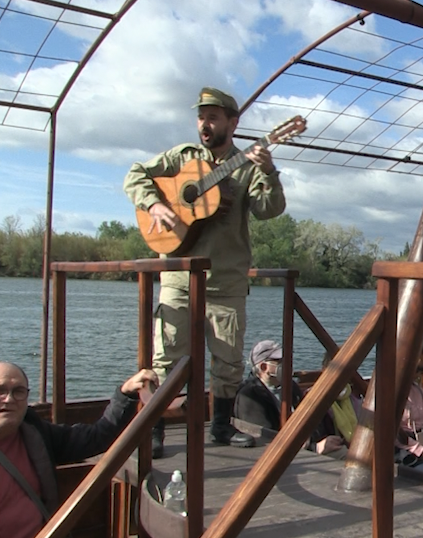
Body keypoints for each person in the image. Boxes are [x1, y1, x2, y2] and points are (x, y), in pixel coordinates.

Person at [123, 87, 287, 456]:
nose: (205, 124)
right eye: (201, 117)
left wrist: (269, 170)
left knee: (228, 362)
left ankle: (221, 428)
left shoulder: (246, 164)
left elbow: (269, 209)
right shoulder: (182, 157)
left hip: (227, 280)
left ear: (233, 122)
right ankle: (155, 431)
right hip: (178, 277)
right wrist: (152, 205)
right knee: (166, 357)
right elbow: (135, 175)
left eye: (213, 117)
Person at [0, 363, 156, 538]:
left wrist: (126, 394)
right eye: (1, 390)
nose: (9, 399)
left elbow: (96, 437)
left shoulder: (35, 433)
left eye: (18, 391)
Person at [234, 340, 354, 458]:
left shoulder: (290, 386)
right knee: (352, 459)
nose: (287, 364)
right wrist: (314, 447)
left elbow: (311, 420)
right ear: (264, 367)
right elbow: (266, 438)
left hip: (305, 447)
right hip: (282, 457)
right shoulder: (250, 397)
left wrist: (320, 441)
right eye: (280, 361)